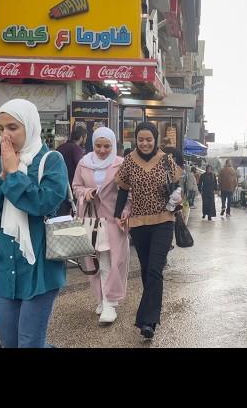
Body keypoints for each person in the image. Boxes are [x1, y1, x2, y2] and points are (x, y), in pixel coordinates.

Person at [0, 99, 68, 348]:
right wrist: (3, 176)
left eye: (13, 128)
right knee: (10, 342)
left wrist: (16, 175)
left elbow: (43, 204)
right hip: (5, 262)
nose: (5, 136)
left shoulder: (52, 161)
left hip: (40, 263)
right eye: (1, 128)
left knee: (29, 342)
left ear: (30, 126)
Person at [113, 122, 182, 340]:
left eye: (149, 139)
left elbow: (178, 186)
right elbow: (123, 190)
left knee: (154, 269)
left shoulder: (166, 160)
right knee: (145, 270)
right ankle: (150, 315)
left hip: (164, 220)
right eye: (141, 139)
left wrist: (178, 196)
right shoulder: (128, 161)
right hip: (139, 223)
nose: (144, 143)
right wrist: (117, 214)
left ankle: (148, 321)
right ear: (136, 140)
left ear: (155, 140)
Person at [73, 127, 130, 324]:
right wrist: (85, 192)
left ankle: (110, 302)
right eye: (98, 145)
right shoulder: (84, 163)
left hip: (113, 220)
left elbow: (129, 193)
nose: (103, 150)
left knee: (111, 261)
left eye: (107, 146)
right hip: (90, 218)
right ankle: (101, 298)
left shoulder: (121, 164)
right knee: (93, 263)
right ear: (92, 144)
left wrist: (125, 212)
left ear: (113, 145)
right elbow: (76, 187)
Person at [56, 124, 87, 215]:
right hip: (72, 187)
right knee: (75, 213)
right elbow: (81, 166)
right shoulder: (76, 149)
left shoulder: (60, 147)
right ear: (81, 137)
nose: (85, 140)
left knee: (62, 215)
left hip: (60, 186)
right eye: (85, 138)